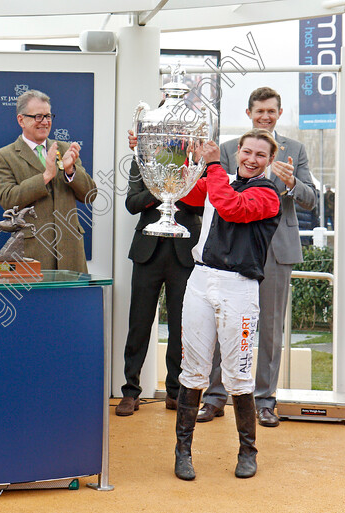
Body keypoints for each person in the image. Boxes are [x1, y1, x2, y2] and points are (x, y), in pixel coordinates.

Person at [197, 87, 317, 428]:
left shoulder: (296, 149)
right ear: (249, 113)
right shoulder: (228, 149)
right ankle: (216, 397)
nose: (265, 116)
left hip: (276, 252)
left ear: (279, 114)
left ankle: (265, 401)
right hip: (232, 251)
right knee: (224, 323)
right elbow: (213, 194)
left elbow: (310, 200)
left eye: (271, 111)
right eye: (259, 111)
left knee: (270, 329)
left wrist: (292, 183)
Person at [174, 130, 281, 480]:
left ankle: (248, 451)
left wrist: (214, 165)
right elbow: (185, 195)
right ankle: (183, 452)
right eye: (247, 151)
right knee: (193, 369)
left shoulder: (268, 193)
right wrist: (180, 159)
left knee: (238, 375)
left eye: (260, 155)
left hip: (240, 288)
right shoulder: (220, 179)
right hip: (202, 281)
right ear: (238, 151)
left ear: (269, 161)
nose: (251, 158)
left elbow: (232, 209)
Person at [116, 130, 202, 416]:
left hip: (184, 253)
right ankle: (130, 391)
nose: (172, 135)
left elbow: (201, 204)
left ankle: (175, 391)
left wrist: (178, 185)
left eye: (177, 130)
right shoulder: (143, 161)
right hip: (147, 253)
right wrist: (160, 190)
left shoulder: (196, 162)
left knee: (181, 327)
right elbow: (132, 203)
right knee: (139, 324)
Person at [0, 89, 96, 272]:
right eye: (38, 117)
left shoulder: (64, 148)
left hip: (70, 252)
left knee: (71, 301)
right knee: (36, 301)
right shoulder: (3, 156)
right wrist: (46, 175)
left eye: (48, 116)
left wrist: (70, 170)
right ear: (21, 120)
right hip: (32, 252)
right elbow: (8, 199)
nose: (45, 122)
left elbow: (90, 195)